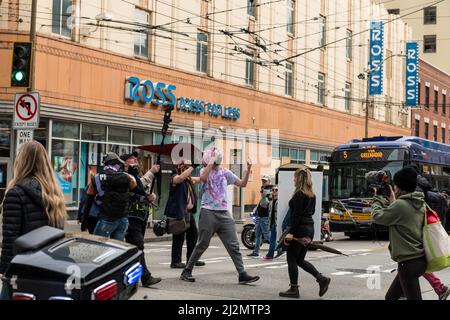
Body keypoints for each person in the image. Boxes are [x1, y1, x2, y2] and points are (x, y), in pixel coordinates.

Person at [180, 148, 260, 284]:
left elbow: (242, 184)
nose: (216, 161)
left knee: (233, 245)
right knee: (202, 244)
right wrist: (211, 161)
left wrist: (248, 169)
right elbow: (203, 178)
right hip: (208, 211)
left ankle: (242, 273)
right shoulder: (204, 171)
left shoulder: (225, 172)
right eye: (213, 158)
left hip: (224, 213)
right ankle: (187, 270)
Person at [0, 141, 67, 300]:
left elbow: (10, 237)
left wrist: (5, 270)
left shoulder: (15, 193)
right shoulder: (54, 194)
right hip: (49, 265)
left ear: (21, 161)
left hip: (22, 267)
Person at [371, 166, 427, 300]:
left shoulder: (401, 205)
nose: (393, 188)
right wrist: (393, 201)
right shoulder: (419, 202)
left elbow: (377, 216)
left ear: (400, 187)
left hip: (408, 262)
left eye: (395, 185)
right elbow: (402, 216)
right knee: (391, 297)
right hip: (419, 260)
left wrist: (377, 198)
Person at [279, 166, 331, 298]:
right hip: (310, 228)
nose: (293, 180)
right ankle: (321, 279)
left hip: (299, 229)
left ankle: (294, 289)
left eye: (295, 177)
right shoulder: (312, 195)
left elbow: (295, 216)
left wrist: (291, 233)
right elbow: (312, 212)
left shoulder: (298, 195)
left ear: (299, 178)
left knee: (291, 258)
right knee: (300, 260)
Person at [121, 152, 161, 287]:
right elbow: (138, 187)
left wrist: (150, 197)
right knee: (138, 246)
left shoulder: (134, 174)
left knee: (134, 248)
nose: (136, 160)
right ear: (125, 162)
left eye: (136, 158)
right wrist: (151, 172)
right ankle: (145, 277)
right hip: (131, 216)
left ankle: (130, 277)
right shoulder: (124, 175)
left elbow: (142, 189)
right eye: (132, 158)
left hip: (140, 216)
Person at [81, 152, 137, 241]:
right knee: (117, 248)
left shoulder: (96, 178)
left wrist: (84, 222)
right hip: (123, 219)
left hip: (106, 218)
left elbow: (88, 201)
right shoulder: (127, 177)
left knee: (97, 246)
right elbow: (136, 188)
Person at [165, 160, 205, 269]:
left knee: (193, 235)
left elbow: (201, 179)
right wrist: (192, 167)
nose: (188, 169)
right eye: (185, 167)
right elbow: (180, 178)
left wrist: (209, 167)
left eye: (188, 167)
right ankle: (175, 261)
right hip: (179, 212)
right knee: (179, 236)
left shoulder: (188, 179)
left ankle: (192, 259)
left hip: (188, 212)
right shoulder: (174, 177)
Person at [416, 175, 450, 300]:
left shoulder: (418, 199)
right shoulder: (440, 197)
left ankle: (440, 287)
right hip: (435, 231)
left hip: (422, 234)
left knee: (413, 263)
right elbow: (446, 212)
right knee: (411, 264)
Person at [248, 176, 272, 257]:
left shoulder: (269, 190)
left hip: (264, 217)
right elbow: (261, 202)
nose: (263, 182)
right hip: (260, 216)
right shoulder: (263, 189)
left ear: (269, 181)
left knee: (267, 235)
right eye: (263, 181)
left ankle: (279, 249)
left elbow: (267, 203)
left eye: (265, 181)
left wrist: (264, 195)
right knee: (258, 235)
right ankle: (256, 252)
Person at [263, 186, 284, 260]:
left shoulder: (280, 201)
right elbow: (263, 205)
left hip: (276, 223)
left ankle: (270, 254)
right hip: (272, 223)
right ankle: (279, 251)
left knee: (272, 239)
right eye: (273, 190)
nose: (274, 191)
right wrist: (264, 196)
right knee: (273, 239)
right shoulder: (271, 201)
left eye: (276, 190)